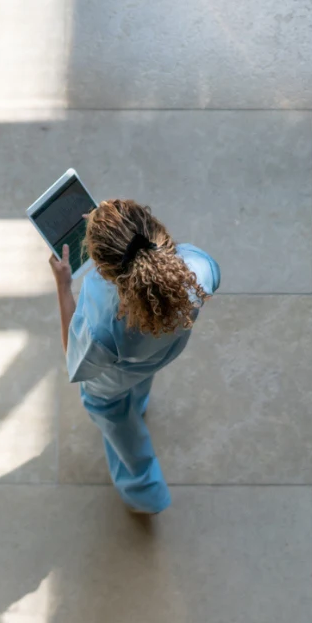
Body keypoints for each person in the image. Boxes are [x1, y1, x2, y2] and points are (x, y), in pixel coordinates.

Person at [50, 199, 220, 515]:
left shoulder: (102, 320)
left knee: (122, 431)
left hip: (111, 382)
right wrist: (115, 228)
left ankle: (146, 494)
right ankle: (139, 405)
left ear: (103, 270)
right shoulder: (200, 268)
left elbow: (77, 361)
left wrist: (63, 286)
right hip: (161, 353)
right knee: (140, 383)